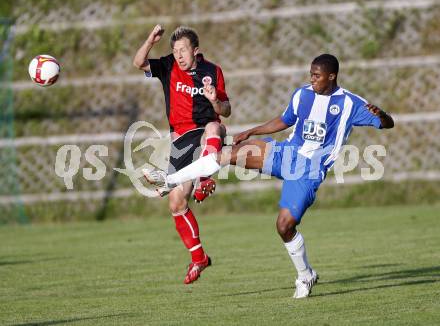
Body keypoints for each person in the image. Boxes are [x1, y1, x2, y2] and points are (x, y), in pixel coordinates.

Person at [143, 54, 394, 297]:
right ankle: (170, 181)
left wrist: (382, 115)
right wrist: (251, 131)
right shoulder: (303, 94)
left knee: (284, 226)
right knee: (227, 154)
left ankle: (305, 275)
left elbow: (387, 123)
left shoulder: (350, 103)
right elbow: (284, 121)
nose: (312, 79)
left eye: (317, 76)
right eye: (311, 74)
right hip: (286, 153)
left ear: (332, 76)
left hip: (308, 170)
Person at [133, 25, 231, 284]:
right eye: (175, 50)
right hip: (181, 140)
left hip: (206, 133)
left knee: (214, 126)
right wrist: (150, 40)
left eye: (183, 50)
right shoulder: (168, 66)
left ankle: (206, 177)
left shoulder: (213, 71)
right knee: (176, 204)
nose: (178, 55)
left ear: (195, 51)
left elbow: (226, 109)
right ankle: (199, 258)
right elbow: (138, 62)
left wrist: (214, 101)